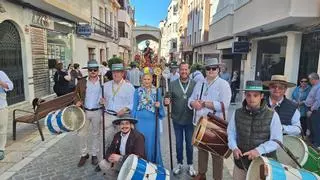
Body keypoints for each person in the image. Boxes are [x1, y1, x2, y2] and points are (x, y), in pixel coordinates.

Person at [227, 80, 282, 180]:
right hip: (241, 163)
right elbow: (231, 132)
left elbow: (277, 141)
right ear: (245, 95)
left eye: (255, 95)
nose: (251, 98)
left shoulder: (272, 115)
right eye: (248, 95)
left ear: (261, 96)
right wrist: (234, 147)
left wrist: (258, 150)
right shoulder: (237, 113)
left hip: (262, 165)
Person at [188, 58, 231, 180]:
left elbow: (225, 105)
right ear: (205, 70)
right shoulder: (200, 83)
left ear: (218, 69)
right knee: (201, 150)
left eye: (214, 68)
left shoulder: (223, 84)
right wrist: (193, 103)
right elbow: (190, 99)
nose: (211, 71)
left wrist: (206, 104)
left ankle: (217, 178)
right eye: (208, 68)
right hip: (200, 122)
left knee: (217, 154)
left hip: (215, 124)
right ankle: (202, 174)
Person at [164, 62, 197, 176]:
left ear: (189, 70)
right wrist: (166, 101)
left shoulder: (195, 84)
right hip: (177, 119)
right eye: (182, 69)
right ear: (179, 71)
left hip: (190, 119)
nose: (184, 71)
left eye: (186, 69)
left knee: (189, 144)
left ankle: (190, 164)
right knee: (178, 143)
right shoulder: (172, 84)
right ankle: (179, 163)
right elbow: (167, 98)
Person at [132, 71, 165, 166]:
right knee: (141, 141)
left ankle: (152, 164)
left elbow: (161, 108)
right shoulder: (137, 91)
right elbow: (134, 106)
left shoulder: (157, 91)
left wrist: (159, 106)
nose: (146, 81)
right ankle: (142, 164)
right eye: (145, 79)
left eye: (148, 79)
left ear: (152, 80)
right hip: (140, 121)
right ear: (141, 80)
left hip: (152, 121)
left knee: (151, 142)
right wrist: (132, 122)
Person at [75, 60, 102, 167]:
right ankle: (84, 154)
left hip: (98, 111)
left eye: (95, 70)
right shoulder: (82, 81)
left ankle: (94, 154)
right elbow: (75, 94)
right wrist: (77, 101)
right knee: (82, 134)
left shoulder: (104, 82)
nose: (93, 72)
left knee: (96, 134)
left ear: (98, 71)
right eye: (90, 70)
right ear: (88, 71)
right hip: (85, 111)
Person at [103, 62, 135, 145]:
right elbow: (100, 99)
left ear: (122, 73)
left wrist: (125, 109)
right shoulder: (105, 86)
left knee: (121, 141)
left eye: (118, 72)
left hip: (122, 117)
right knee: (106, 140)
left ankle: (120, 157)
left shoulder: (129, 87)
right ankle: (106, 157)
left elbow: (133, 102)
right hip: (108, 116)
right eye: (114, 72)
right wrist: (101, 101)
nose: (115, 74)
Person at [0, 70, 13, 160]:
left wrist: (1, 83)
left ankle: (1, 149)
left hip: (1, 106)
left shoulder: (1, 74)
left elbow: (10, 86)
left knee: (2, 128)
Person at [305, 72, 320, 149]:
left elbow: (318, 101)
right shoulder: (314, 86)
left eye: (310, 79)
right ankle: (312, 142)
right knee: (311, 127)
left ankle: (317, 144)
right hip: (310, 109)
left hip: (315, 111)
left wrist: (311, 110)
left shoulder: (319, 87)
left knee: (315, 127)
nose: (309, 81)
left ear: (314, 79)